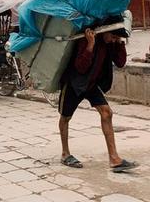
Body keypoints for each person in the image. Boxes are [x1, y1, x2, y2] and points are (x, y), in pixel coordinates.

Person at [58, 22, 137, 172]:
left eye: (116, 37)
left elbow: (120, 63)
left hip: (92, 84)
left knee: (107, 113)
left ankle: (114, 159)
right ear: (103, 31)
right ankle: (65, 153)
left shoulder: (111, 43)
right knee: (65, 117)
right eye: (113, 36)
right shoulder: (86, 39)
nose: (113, 39)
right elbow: (80, 67)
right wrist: (90, 44)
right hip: (75, 83)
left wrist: (119, 42)